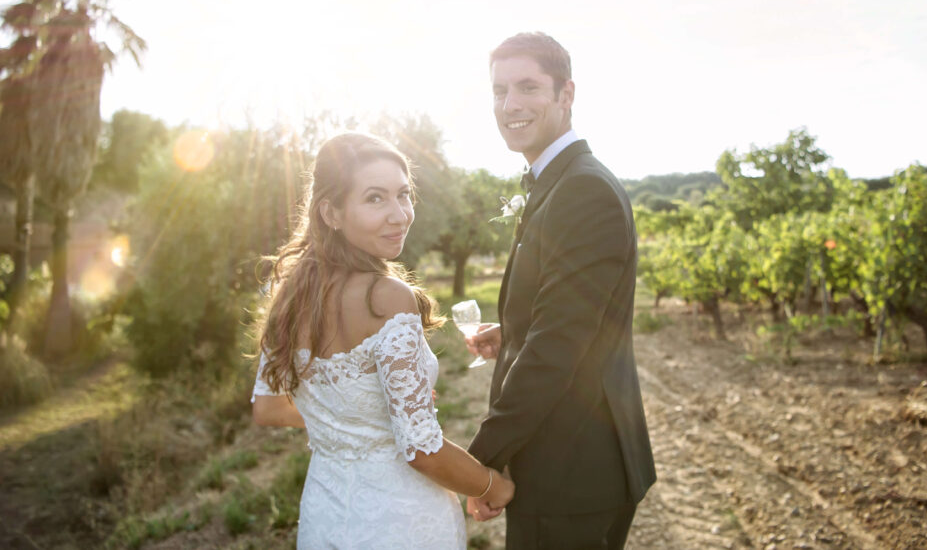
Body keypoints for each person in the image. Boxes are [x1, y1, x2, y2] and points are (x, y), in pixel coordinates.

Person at [251, 132, 514, 549]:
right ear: (331, 212)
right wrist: (493, 487)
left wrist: (350, 417)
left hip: (326, 518)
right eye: (375, 198)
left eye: (404, 195)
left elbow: (267, 408)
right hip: (401, 523)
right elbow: (422, 451)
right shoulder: (387, 298)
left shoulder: (285, 295)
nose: (400, 215)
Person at [465, 32, 656, 549]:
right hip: (569, 464)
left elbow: (557, 347)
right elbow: (569, 314)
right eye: (499, 91)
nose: (510, 104)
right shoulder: (559, 181)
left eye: (528, 87)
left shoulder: (581, 189)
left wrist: (478, 460)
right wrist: (516, 328)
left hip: (573, 471)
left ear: (565, 95)